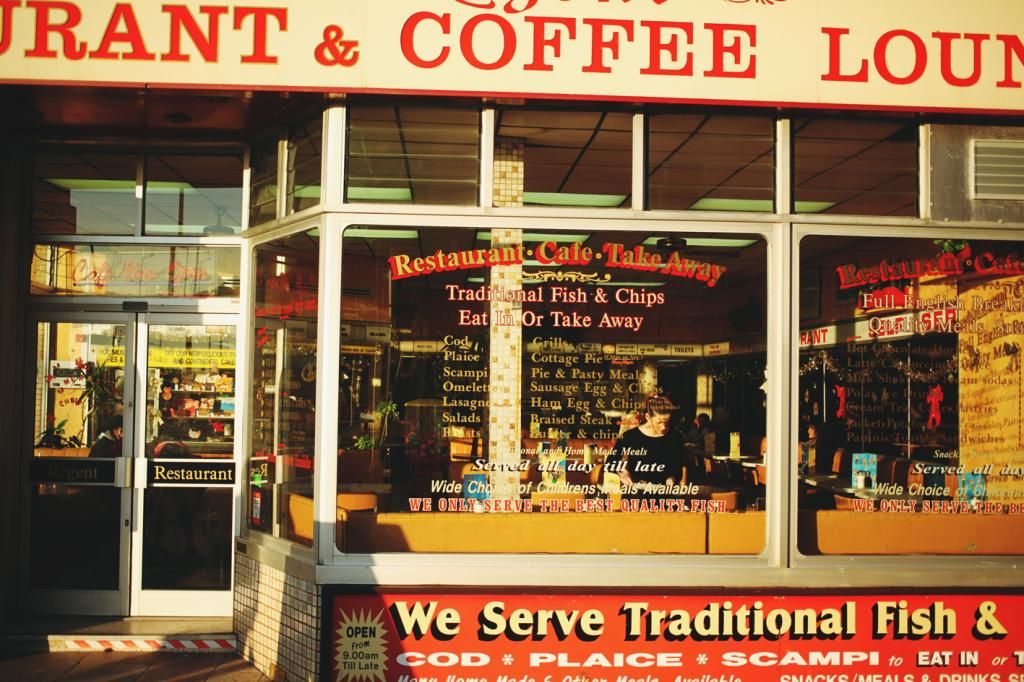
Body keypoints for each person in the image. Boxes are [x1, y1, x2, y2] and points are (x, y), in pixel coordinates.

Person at [604, 394, 684, 491]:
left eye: (667, 423)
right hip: (635, 489)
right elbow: (611, 461)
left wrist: (672, 478)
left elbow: (677, 466)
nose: (664, 427)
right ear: (647, 417)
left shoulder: (675, 437)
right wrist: (623, 472)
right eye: (659, 422)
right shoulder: (630, 436)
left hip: (664, 491)